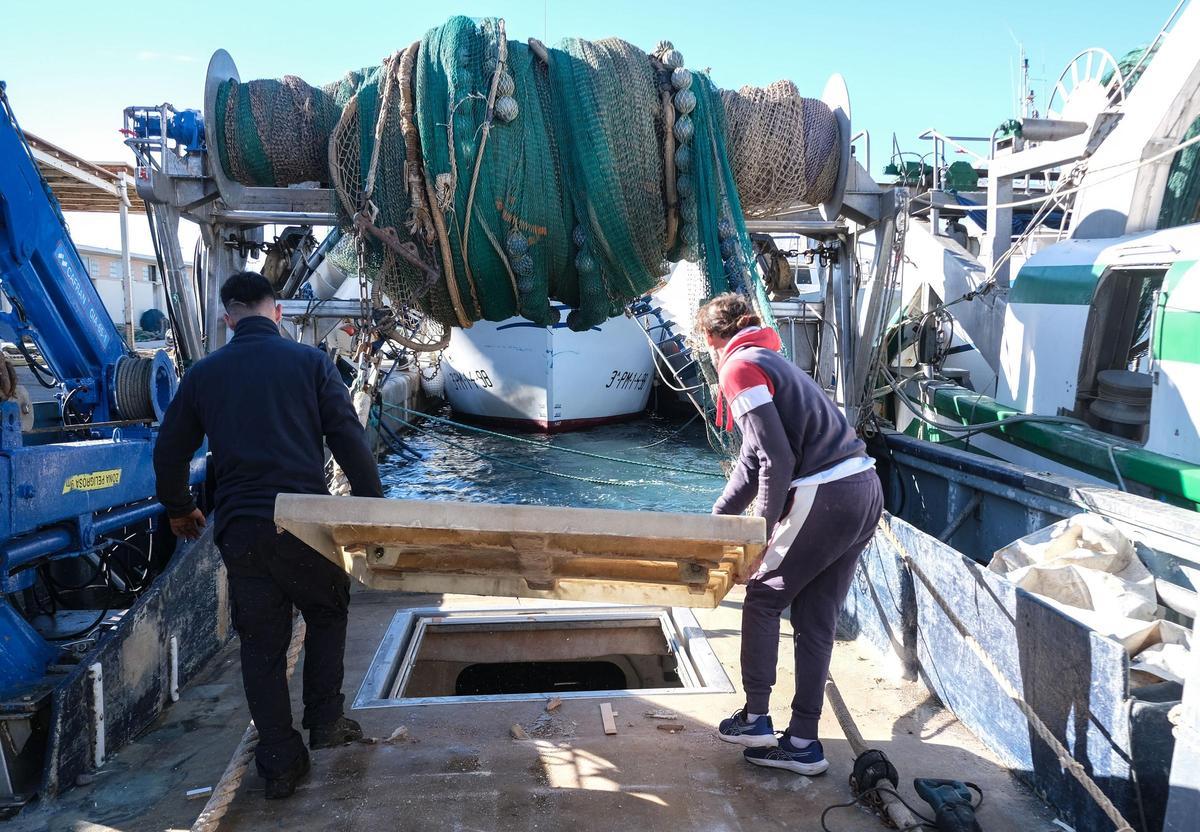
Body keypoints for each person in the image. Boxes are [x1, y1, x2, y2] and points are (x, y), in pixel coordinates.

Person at [154, 271, 384, 799]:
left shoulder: (204, 374)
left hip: (241, 530)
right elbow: (349, 440)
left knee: (260, 644)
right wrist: (374, 508)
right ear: (276, 312)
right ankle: (325, 720)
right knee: (327, 609)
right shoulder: (311, 363)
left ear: (227, 318)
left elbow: (169, 452)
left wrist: (179, 509)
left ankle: (279, 762)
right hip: (301, 524)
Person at [699, 292, 883, 776]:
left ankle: (756, 718)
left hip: (825, 493)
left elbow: (777, 461)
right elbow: (753, 457)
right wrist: (721, 515)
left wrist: (758, 536)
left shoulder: (738, 367)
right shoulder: (770, 358)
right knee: (816, 617)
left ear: (712, 338)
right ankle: (803, 743)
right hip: (863, 488)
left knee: (762, 598)